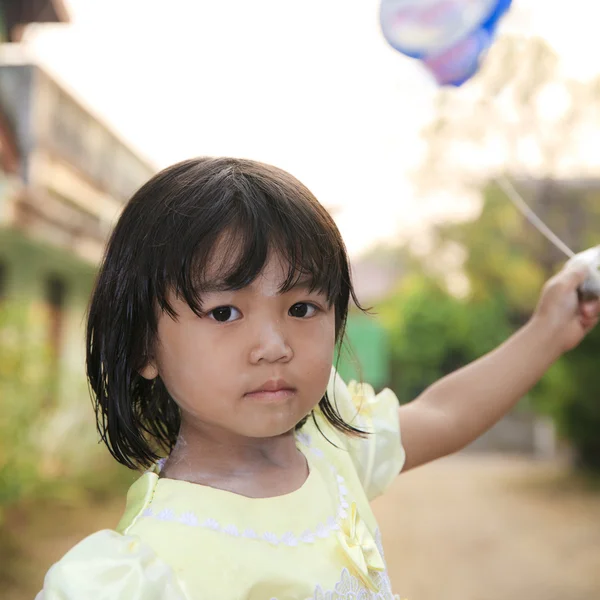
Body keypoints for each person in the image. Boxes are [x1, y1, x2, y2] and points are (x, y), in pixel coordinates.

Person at [36, 157, 599, 600]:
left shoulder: (331, 446)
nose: (275, 346)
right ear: (142, 345)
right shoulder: (146, 571)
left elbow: (443, 414)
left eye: (302, 308)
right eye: (225, 312)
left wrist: (549, 328)